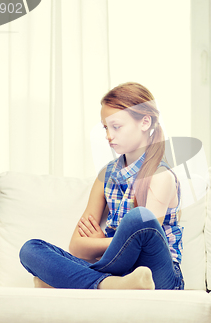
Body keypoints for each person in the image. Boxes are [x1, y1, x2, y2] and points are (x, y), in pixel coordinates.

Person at [19, 82, 184, 290]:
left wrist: (105, 241)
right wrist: (117, 242)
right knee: (30, 249)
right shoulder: (106, 175)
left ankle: (72, 280)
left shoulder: (161, 176)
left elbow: (143, 239)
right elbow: (77, 247)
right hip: (117, 272)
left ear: (144, 122)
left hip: (157, 274)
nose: (108, 136)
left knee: (138, 218)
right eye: (106, 127)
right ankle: (112, 285)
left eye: (116, 127)